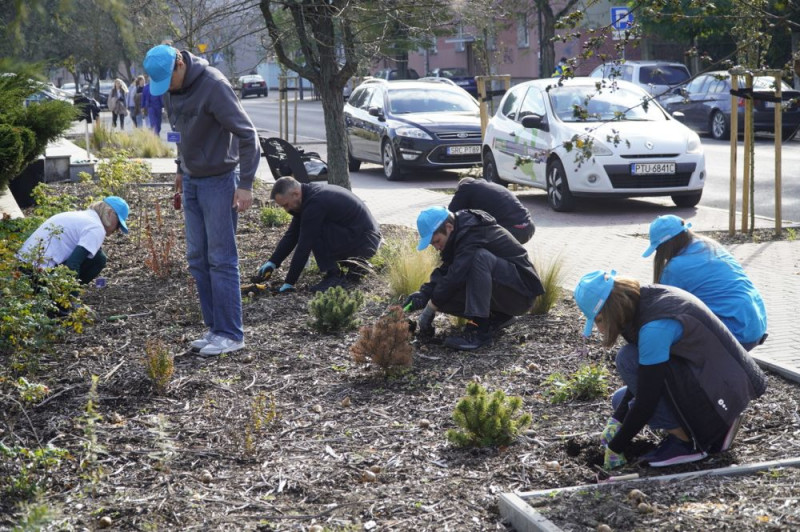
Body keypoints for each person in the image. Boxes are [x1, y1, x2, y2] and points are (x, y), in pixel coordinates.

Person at [573, 270, 767, 469]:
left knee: (627, 359)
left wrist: (616, 446)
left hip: (723, 390)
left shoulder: (655, 328)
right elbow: (644, 380)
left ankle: (687, 444)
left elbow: (647, 399)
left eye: (598, 320)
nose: (601, 330)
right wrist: (617, 419)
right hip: (711, 377)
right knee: (619, 400)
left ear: (612, 308)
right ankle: (708, 427)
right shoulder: (641, 299)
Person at [143, 43, 261, 357]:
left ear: (180, 63)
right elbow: (179, 133)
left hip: (220, 181)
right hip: (193, 180)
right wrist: (180, 169)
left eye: (168, 81)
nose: (166, 89)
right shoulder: (169, 89)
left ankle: (231, 333)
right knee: (197, 258)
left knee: (221, 258)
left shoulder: (215, 86)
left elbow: (248, 134)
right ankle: (214, 329)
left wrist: (246, 184)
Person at [403, 206, 544, 350]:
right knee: (440, 293)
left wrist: (429, 309)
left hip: (521, 294)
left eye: (437, 241)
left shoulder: (472, 232)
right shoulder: (458, 234)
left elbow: (455, 276)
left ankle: (478, 330)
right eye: (433, 245)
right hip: (504, 294)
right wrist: (425, 294)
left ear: (449, 226)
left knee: (479, 258)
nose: (437, 247)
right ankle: (499, 317)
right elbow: (448, 271)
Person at [643, 214, 767, 351]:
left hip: (736, 332)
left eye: (658, 249)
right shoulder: (710, 245)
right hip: (756, 323)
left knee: (669, 336)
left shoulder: (675, 267)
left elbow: (662, 310)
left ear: (666, 245)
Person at [256, 176, 382, 293]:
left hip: (364, 241)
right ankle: (356, 268)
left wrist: (289, 282)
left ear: (295, 194)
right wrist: (273, 262)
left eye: (286, 205)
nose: (286, 210)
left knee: (313, 232)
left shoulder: (315, 203)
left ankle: (334, 275)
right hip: (361, 238)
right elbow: (292, 234)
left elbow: (304, 245)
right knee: (311, 228)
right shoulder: (308, 197)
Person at [16, 197, 130, 284]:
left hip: (21, 267)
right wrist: (71, 298)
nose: (117, 229)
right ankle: (59, 301)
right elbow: (73, 264)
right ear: (110, 213)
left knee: (96, 254)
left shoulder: (83, 217)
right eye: (119, 224)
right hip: (37, 274)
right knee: (99, 259)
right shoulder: (96, 228)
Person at [447, 177, 535, 244]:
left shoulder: (465, 187)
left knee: (474, 242)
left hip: (512, 230)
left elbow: (450, 214)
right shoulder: (491, 186)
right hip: (528, 226)